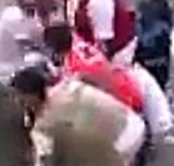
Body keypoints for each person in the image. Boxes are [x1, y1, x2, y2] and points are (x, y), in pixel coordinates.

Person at [11, 67, 146, 166]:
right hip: (133, 120)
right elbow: (87, 79)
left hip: (123, 143)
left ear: (31, 95)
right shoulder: (68, 84)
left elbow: (44, 160)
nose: (17, 101)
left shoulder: (44, 126)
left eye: (20, 98)